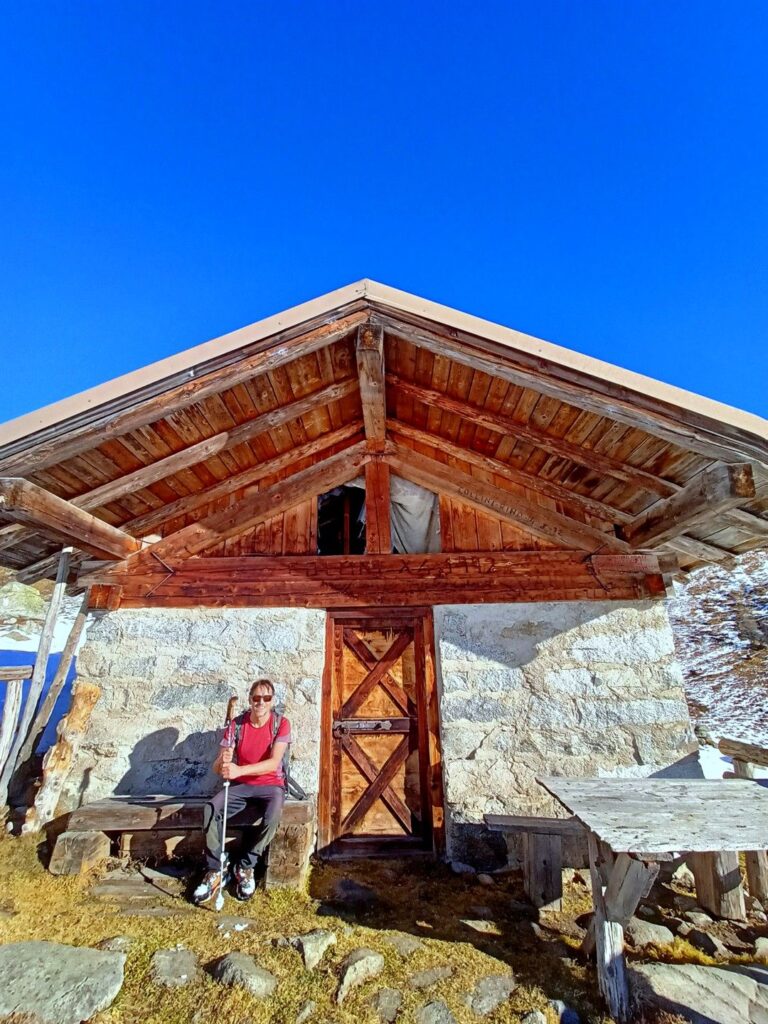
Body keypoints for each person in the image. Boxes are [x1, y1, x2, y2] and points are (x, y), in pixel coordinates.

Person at [192, 678, 291, 905]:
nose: (261, 703)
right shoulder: (237, 725)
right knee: (211, 809)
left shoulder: (281, 724)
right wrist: (222, 761)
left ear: (272, 701)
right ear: (250, 700)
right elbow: (218, 768)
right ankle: (216, 868)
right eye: (256, 698)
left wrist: (238, 770)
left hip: (271, 785)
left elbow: (273, 763)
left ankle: (246, 865)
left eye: (266, 698)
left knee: (273, 816)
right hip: (242, 785)